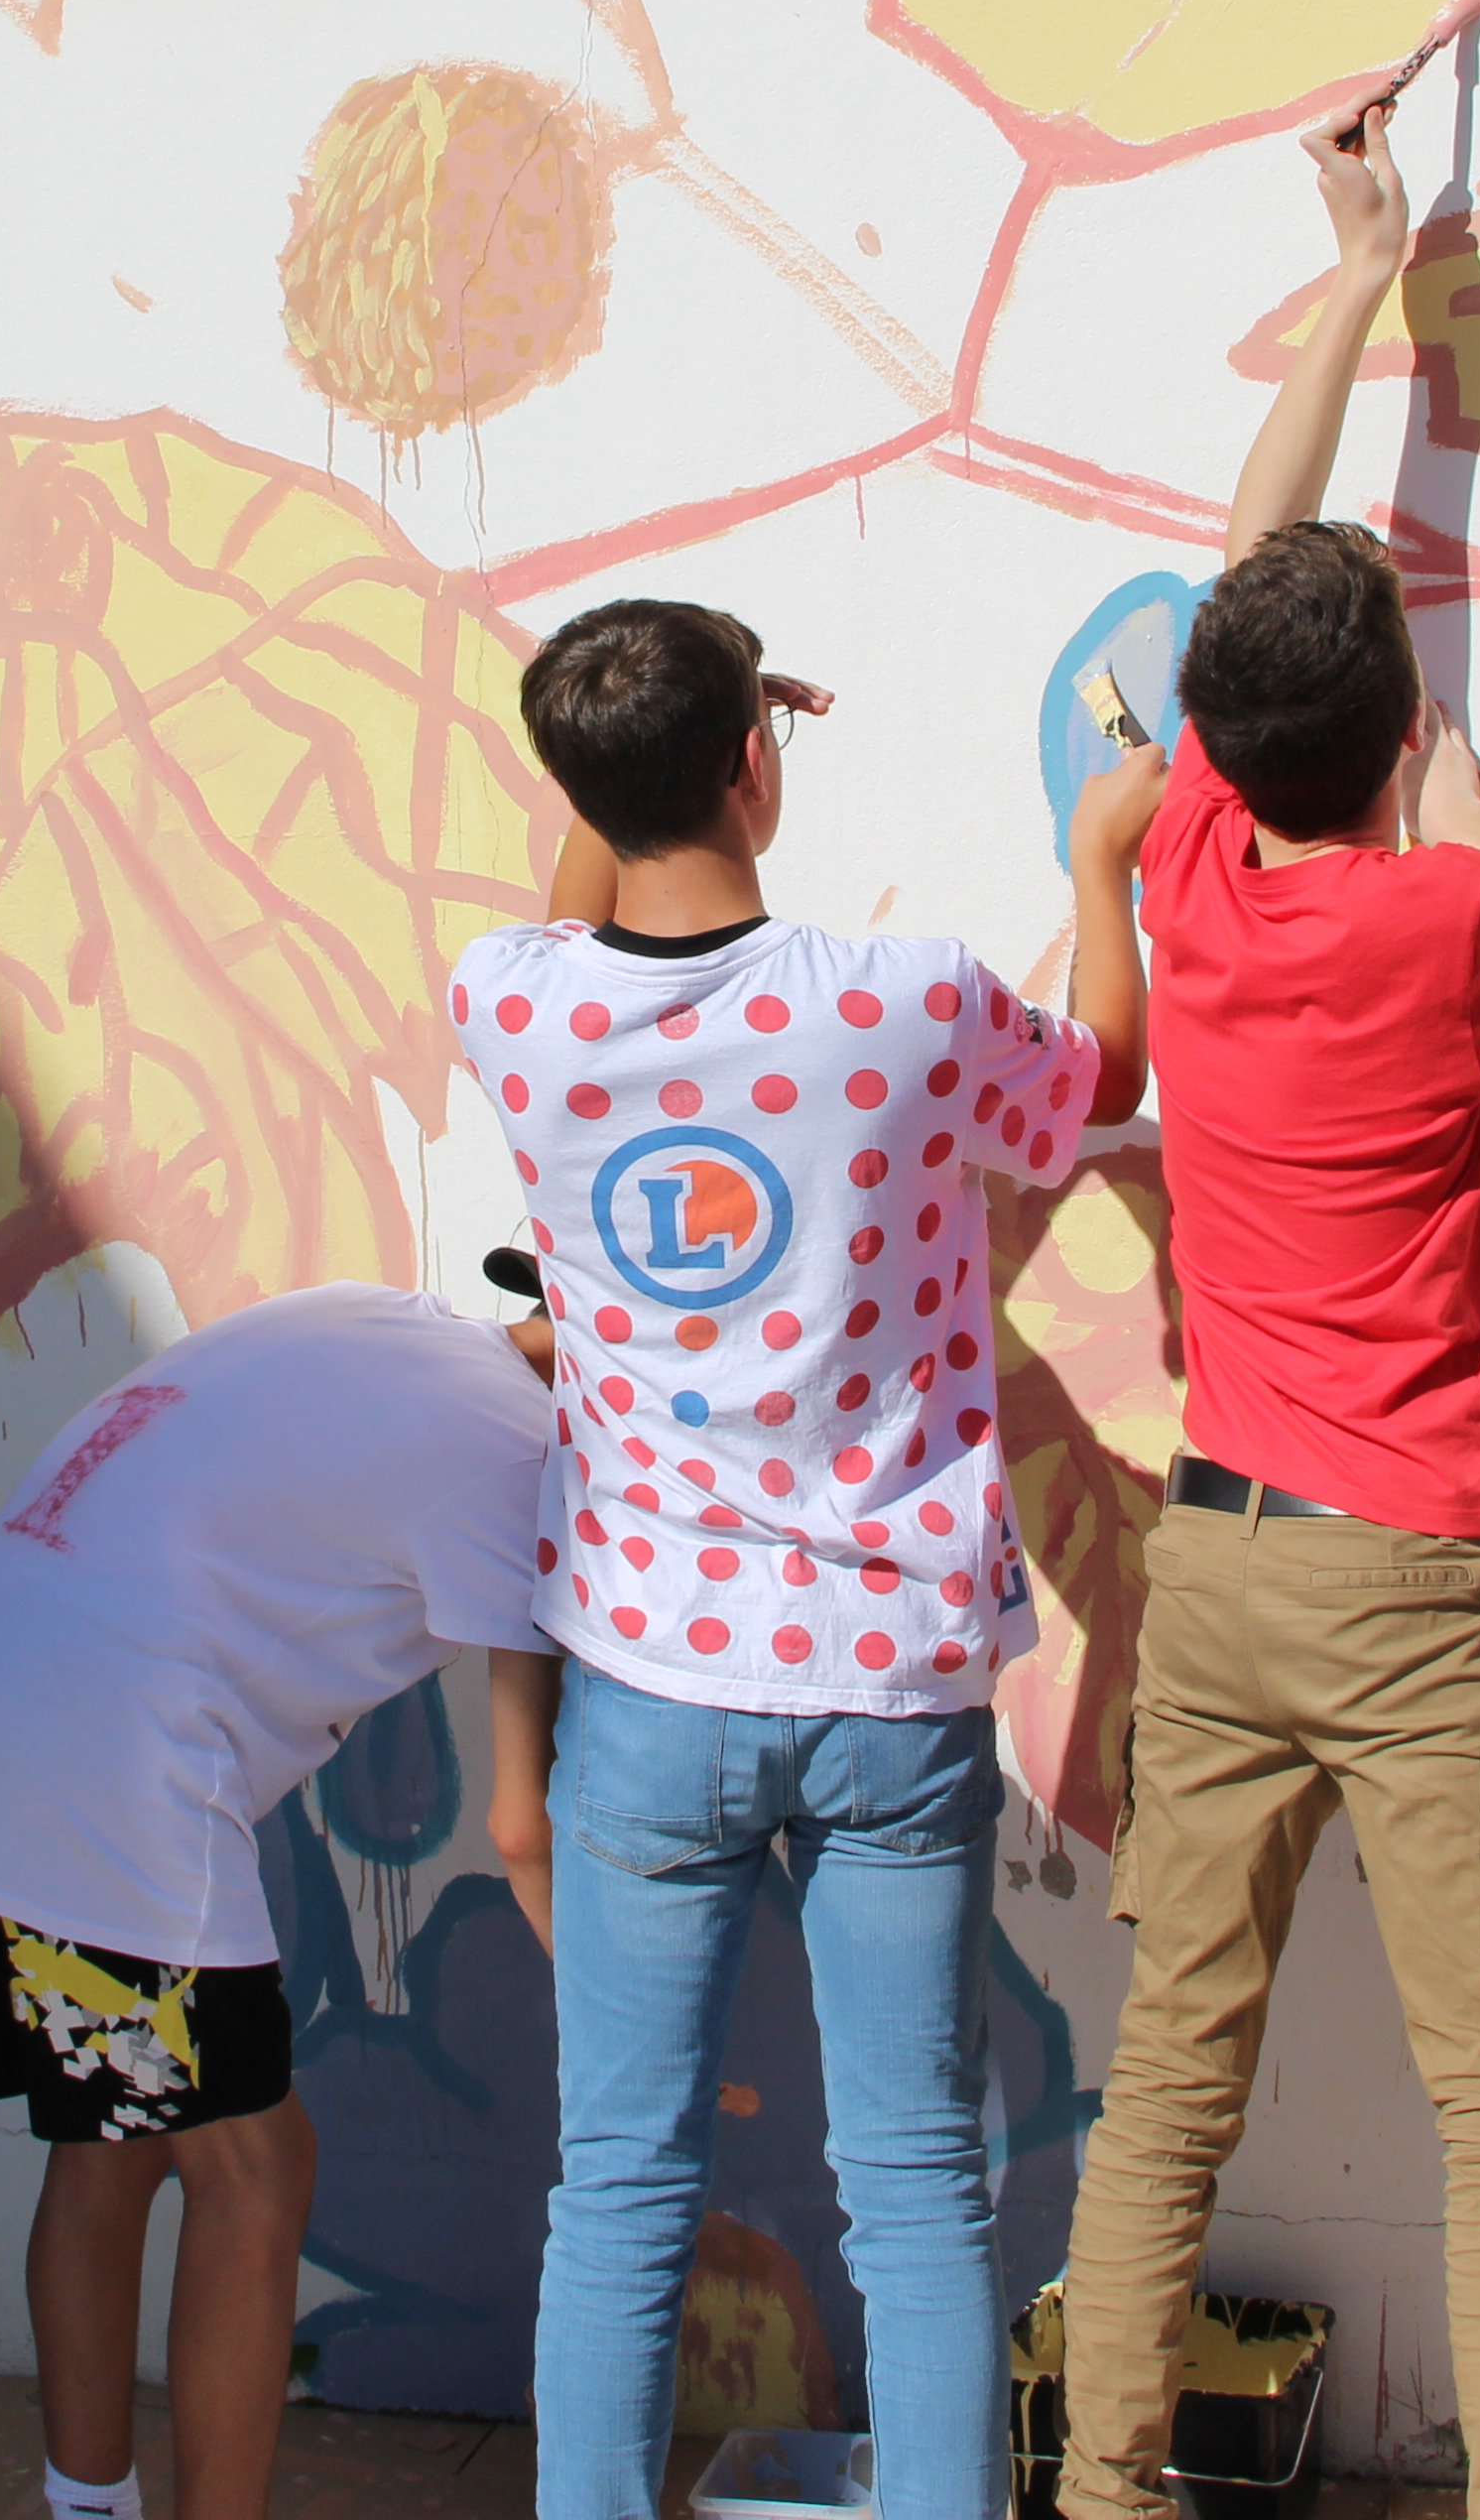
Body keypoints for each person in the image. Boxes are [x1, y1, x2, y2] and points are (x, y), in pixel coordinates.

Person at [1050, 91, 1480, 2520]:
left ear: (1218, 735)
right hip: (1410, 1584)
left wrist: (1351, 279)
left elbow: (1244, 555)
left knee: (1164, 2078)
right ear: (1395, 734)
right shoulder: (1446, 919)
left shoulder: (1188, 862)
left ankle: (1100, 2492)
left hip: (1211, 1559)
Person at [457, 598, 1158, 2520]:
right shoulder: (905, 1002)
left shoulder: (511, 1005)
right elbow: (1095, 1079)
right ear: (762, 763)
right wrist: (1101, 867)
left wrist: (652, 744)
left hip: (653, 1682)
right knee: (920, 2185)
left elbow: (577, 902)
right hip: (889, 1673)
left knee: (618, 2185)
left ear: (580, 791)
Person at [0, 1279, 571, 2520]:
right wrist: (637, 2021)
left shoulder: (374, 1313)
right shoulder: (525, 1458)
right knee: (255, 2166)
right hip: (111, 1741)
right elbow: (530, 1821)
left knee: (110, 2145)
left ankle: (83, 2507)